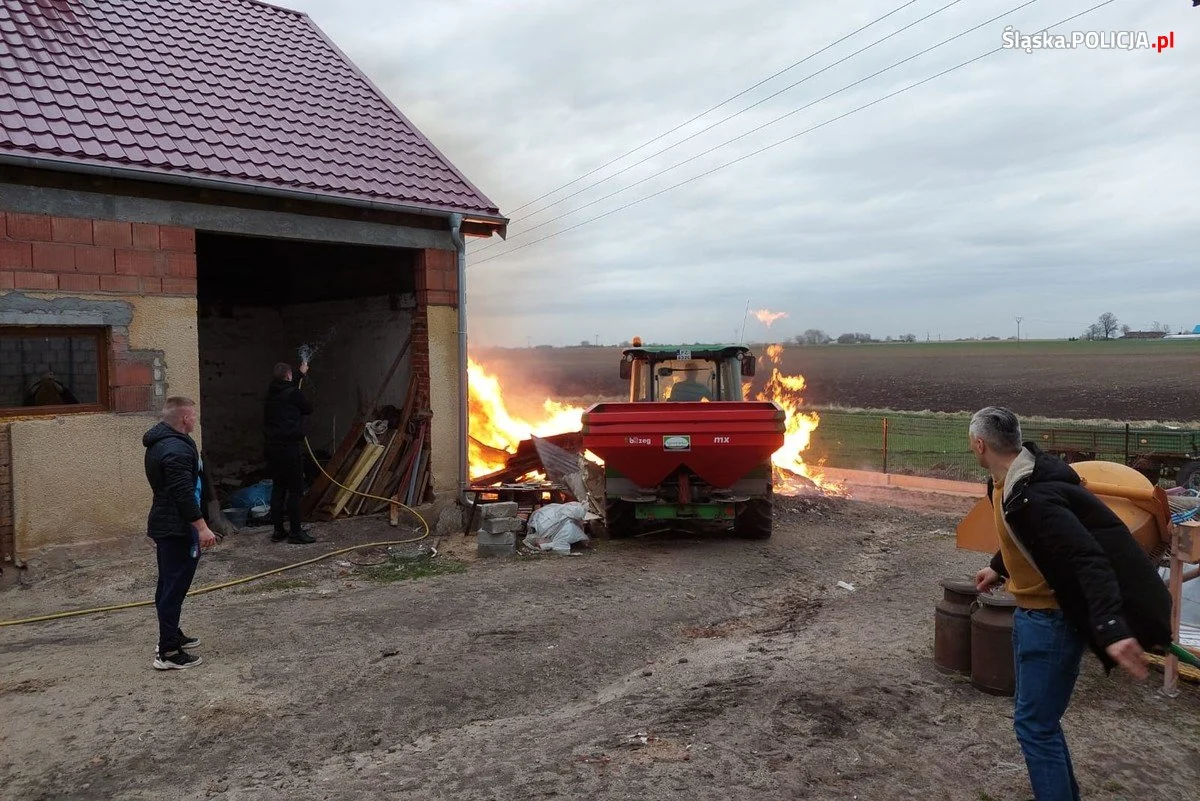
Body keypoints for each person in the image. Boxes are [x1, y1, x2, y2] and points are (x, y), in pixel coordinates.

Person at [968, 406, 1171, 801]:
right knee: (1038, 723)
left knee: (1035, 727)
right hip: (1034, 616)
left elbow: (1087, 557)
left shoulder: (1032, 494)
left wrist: (1111, 627)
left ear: (979, 445)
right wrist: (999, 566)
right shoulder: (1008, 480)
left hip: (1050, 622)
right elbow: (1030, 536)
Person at [143, 396, 217, 670]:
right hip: (175, 527)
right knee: (173, 586)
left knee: (169, 584)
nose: (196, 420)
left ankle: (171, 634)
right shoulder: (175, 450)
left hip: (170, 523)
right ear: (185, 419)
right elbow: (182, 493)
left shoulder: (167, 442)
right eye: (194, 416)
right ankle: (168, 653)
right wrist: (201, 527)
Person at [263, 360, 314, 544]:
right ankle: (295, 532)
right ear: (288, 376)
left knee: (278, 488)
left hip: (272, 448)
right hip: (289, 448)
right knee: (295, 490)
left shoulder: (271, 392)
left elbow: (286, 388)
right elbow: (308, 408)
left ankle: (278, 531)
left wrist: (300, 374)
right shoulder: (294, 393)